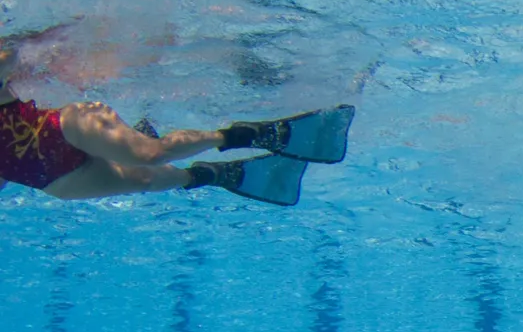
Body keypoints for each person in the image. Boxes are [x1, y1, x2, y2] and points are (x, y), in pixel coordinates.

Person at [0, 37, 351, 206]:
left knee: (149, 154)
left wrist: (42, 39)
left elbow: (10, 53)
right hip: (49, 177)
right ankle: (215, 175)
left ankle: (248, 135)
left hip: (63, 127)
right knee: (148, 179)